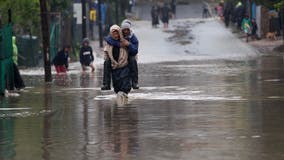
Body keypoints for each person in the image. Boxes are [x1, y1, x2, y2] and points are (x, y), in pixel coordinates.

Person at [101, 19, 139, 90]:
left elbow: (135, 51)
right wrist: (120, 44)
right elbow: (109, 39)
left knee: (133, 60)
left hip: (128, 56)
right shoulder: (118, 34)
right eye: (124, 30)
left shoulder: (133, 38)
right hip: (116, 57)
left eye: (127, 30)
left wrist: (128, 44)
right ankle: (106, 84)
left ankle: (135, 82)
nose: (126, 32)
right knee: (106, 62)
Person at [103, 25, 131, 96]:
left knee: (125, 84)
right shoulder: (109, 43)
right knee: (117, 86)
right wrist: (106, 58)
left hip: (124, 65)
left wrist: (128, 45)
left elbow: (133, 49)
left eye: (117, 33)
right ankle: (106, 84)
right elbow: (106, 52)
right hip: (114, 66)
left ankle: (133, 84)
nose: (116, 35)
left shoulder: (124, 41)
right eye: (114, 33)